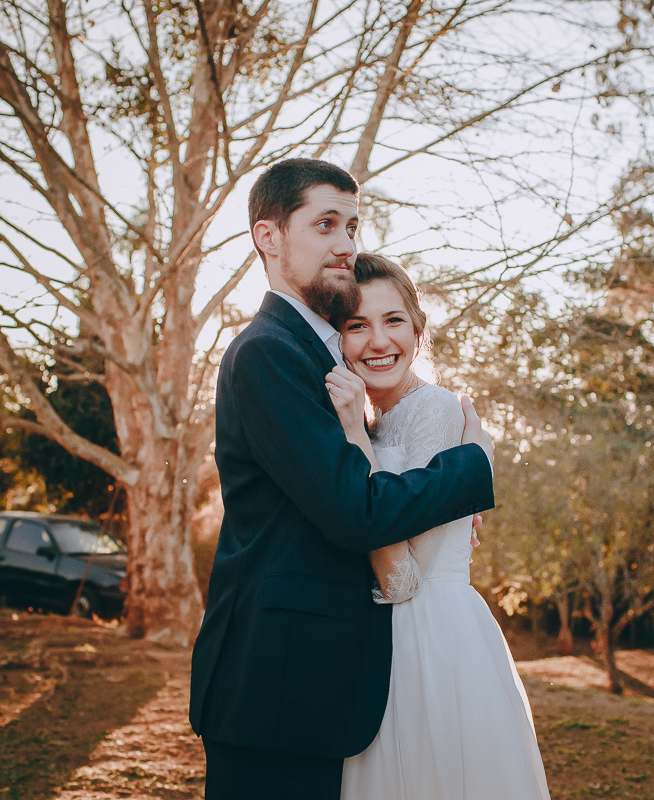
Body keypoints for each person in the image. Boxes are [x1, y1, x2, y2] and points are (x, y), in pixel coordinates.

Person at [188, 158, 496, 800]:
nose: (346, 244)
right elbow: (353, 510)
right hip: (277, 685)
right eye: (325, 224)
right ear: (268, 236)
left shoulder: (315, 350)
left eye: (352, 225)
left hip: (315, 682)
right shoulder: (269, 352)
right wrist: (473, 467)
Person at [326, 253, 551, 800]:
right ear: (338, 341)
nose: (379, 341)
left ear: (419, 330)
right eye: (358, 325)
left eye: (394, 321)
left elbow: (401, 580)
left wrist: (354, 434)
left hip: (430, 642)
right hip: (383, 640)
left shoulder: (437, 412)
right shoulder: (379, 418)